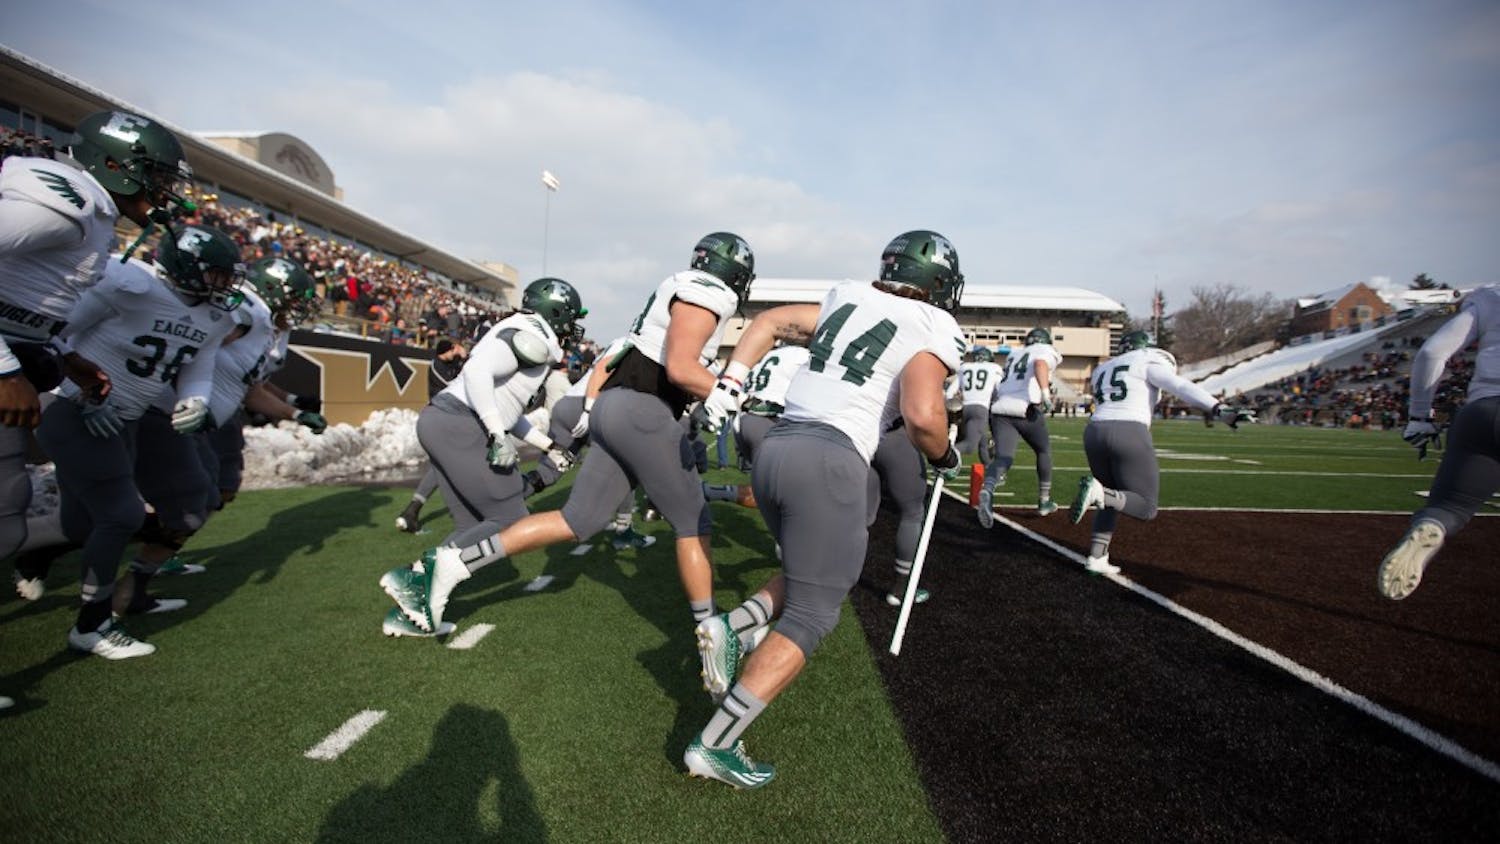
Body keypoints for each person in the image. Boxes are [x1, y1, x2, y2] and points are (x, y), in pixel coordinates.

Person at [685, 230, 965, 789]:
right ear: (939, 285)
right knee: (814, 613)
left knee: (805, 575)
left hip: (777, 449)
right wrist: (947, 455)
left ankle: (733, 626)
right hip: (831, 458)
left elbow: (765, 322)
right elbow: (924, 415)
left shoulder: (847, 295)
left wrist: (729, 387)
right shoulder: (932, 324)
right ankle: (713, 745)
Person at [378, 233, 755, 640]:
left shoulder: (671, 294)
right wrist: (732, 394)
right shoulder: (707, 292)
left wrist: (592, 407)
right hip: (643, 409)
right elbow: (680, 368)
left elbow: (611, 359)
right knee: (692, 519)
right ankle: (712, 631)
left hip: (616, 407)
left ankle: (450, 567)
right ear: (733, 274)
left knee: (579, 520)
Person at [4, 110, 191, 608]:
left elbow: (29, 307)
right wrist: (4, 367)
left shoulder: (93, 213)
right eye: (158, 175)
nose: (165, 189)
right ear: (114, 164)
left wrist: (65, 357)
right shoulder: (65, 205)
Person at [34, 224, 242, 658]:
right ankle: (92, 624)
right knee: (121, 514)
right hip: (74, 408)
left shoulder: (213, 316)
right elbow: (54, 333)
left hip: (128, 419)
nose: (225, 285)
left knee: (80, 525)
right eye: (218, 275)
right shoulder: (128, 282)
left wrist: (194, 402)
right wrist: (79, 391)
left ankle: (37, 558)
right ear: (187, 267)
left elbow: (198, 368)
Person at [380, 276, 591, 637]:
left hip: (447, 420)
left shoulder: (524, 332)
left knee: (470, 527)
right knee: (511, 520)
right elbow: (478, 373)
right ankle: (413, 579)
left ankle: (414, 606)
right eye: (570, 318)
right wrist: (495, 432)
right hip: (461, 424)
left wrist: (546, 446)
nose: (572, 328)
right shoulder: (533, 334)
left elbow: (507, 410)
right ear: (555, 312)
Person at [1069, 330, 1252, 574]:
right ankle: (1098, 495)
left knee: (1111, 495)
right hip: (1129, 430)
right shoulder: (1147, 360)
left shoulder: (1104, 368)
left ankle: (1097, 556)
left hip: (1093, 431)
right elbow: (1178, 385)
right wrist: (1217, 408)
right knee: (1145, 506)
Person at [1378, 283, 1500, 600]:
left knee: (1449, 507)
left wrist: (1421, 415)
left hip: (1481, 412)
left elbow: (1432, 352)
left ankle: (1433, 525)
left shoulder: (1490, 297)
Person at [977, 327, 1063, 526]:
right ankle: (1043, 501)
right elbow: (1040, 364)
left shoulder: (1015, 353)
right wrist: (1045, 395)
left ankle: (988, 487)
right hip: (1025, 408)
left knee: (1003, 457)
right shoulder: (1045, 351)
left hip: (1000, 408)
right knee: (1043, 451)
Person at [395, 337, 468, 533]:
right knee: (446, 465)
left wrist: (464, 359)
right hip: (440, 419)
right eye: (454, 349)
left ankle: (412, 511)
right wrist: (465, 362)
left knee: (444, 466)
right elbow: (455, 385)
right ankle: (413, 511)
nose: (457, 351)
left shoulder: (453, 363)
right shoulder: (436, 366)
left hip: (449, 419)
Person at [952, 346, 1003, 464]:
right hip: (981, 409)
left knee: (982, 441)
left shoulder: (965, 367)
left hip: (963, 409)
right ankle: (942, 458)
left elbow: (950, 393)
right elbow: (1000, 390)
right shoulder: (994, 368)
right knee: (970, 446)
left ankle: (989, 468)